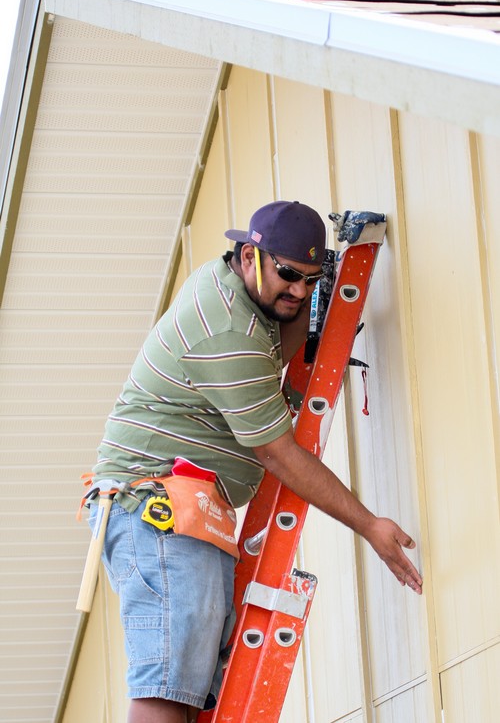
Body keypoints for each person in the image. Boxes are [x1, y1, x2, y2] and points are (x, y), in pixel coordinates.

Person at [88, 200, 423, 723]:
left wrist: (308, 308)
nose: (298, 291)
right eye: (288, 275)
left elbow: (275, 350)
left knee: (194, 694)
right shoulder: (228, 330)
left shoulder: (242, 295)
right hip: (157, 508)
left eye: (312, 281)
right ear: (250, 255)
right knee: (168, 690)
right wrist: (369, 524)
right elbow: (276, 452)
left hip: (188, 510)